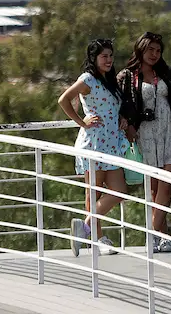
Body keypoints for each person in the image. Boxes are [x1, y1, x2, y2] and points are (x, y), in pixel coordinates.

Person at [118, 32, 171, 254]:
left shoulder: (167, 74)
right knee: (153, 187)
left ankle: (153, 232)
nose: (154, 54)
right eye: (150, 49)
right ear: (140, 48)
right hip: (145, 133)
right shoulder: (128, 76)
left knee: (167, 183)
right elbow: (121, 104)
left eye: (158, 51)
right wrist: (128, 125)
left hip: (169, 130)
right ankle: (163, 236)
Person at [59, 38, 129, 257]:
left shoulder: (109, 79)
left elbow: (112, 106)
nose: (108, 60)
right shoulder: (87, 79)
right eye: (103, 56)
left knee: (119, 191)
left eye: (110, 55)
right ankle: (97, 239)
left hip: (112, 141)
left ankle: (85, 227)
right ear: (94, 58)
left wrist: (122, 119)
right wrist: (81, 122)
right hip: (95, 142)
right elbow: (64, 100)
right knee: (93, 193)